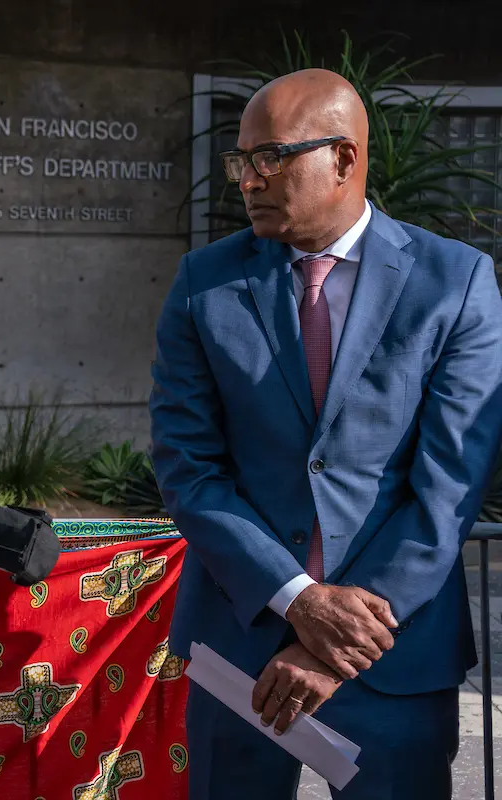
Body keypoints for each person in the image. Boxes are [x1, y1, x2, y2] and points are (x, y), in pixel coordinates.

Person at [149, 68, 502, 799]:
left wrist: (334, 642)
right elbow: (189, 469)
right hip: (238, 645)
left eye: (269, 158)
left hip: (393, 655)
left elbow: (449, 488)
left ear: (343, 158)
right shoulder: (201, 285)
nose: (247, 180)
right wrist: (298, 600)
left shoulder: (456, 281)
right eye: (239, 162)